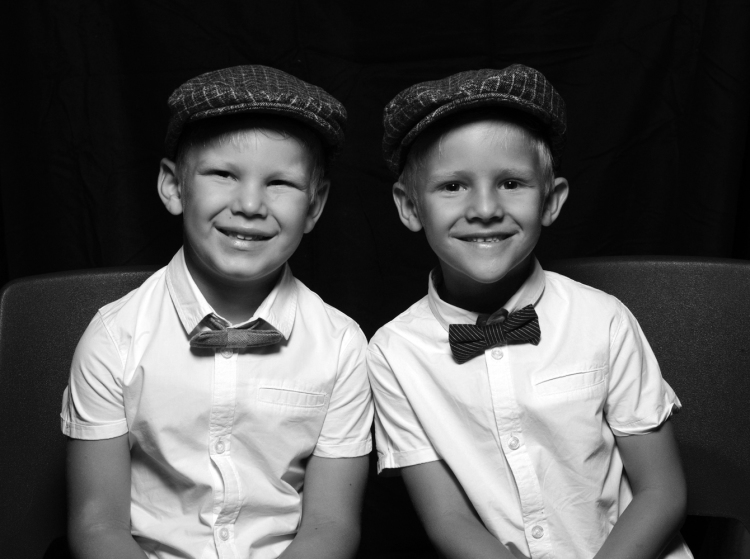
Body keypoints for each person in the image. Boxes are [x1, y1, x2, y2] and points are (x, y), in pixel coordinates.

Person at [367, 64, 693, 559]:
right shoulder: (394, 353)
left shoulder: (603, 319)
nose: (484, 209)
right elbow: (449, 520)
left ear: (551, 200)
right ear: (410, 207)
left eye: (511, 182)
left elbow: (661, 491)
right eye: (453, 186)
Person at [61, 65, 373, 559]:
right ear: (173, 186)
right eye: (224, 174)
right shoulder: (114, 336)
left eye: (280, 183)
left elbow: (330, 526)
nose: (250, 204)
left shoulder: (340, 345)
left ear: (314, 207)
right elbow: (98, 525)